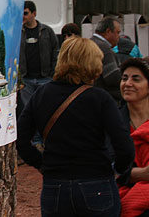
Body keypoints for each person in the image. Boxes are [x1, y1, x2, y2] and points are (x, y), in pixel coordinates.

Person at [17, 37, 134, 217]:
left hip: (55, 183)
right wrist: (116, 170)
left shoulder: (41, 94)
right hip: (96, 180)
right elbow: (124, 146)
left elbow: (22, 139)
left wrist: (41, 163)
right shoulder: (100, 98)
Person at [118, 58, 149, 217]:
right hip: (121, 197)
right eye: (124, 78)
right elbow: (100, 164)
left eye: (136, 79)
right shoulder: (112, 121)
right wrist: (138, 173)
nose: (128, 83)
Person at [19, 1, 59, 109]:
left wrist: (53, 72)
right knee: (29, 108)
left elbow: (55, 51)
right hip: (26, 79)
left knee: (46, 107)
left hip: (45, 77)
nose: (23, 16)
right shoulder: (19, 32)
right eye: (21, 14)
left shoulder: (47, 31)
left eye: (25, 13)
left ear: (34, 13)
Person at [91, 17, 123, 102]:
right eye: (117, 32)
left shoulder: (90, 43)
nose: (119, 37)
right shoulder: (104, 48)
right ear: (108, 31)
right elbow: (112, 77)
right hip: (105, 99)